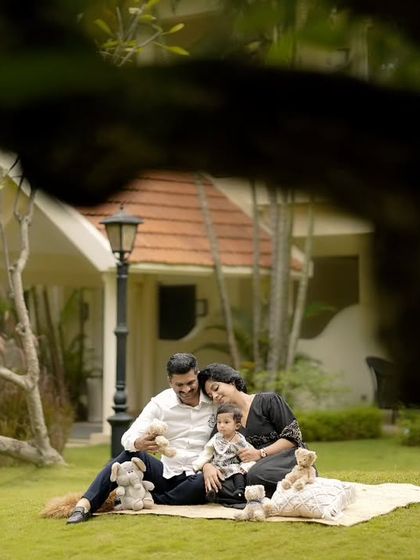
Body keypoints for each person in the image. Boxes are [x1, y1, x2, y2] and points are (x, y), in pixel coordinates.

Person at [67, 353, 216, 524]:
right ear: (169, 382)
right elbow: (129, 436)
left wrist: (209, 465)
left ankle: (149, 496)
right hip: (166, 475)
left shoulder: (214, 399)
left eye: (191, 383)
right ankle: (84, 506)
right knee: (130, 455)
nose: (186, 390)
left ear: (197, 375)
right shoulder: (161, 402)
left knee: (203, 484)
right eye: (179, 385)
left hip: (199, 474)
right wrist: (138, 443)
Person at [197, 363, 309, 501]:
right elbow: (213, 448)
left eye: (216, 388)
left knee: (255, 475)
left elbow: (293, 438)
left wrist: (260, 453)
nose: (214, 396)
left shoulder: (268, 401)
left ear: (231, 381)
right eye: (210, 395)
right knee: (218, 481)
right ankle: (266, 495)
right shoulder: (224, 418)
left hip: (286, 458)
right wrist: (207, 467)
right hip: (248, 469)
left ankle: (302, 479)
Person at [192, 403, 255, 503]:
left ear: (237, 425)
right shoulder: (216, 438)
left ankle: (240, 490)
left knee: (237, 473)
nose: (221, 425)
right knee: (211, 478)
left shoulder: (239, 440)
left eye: (226, 422)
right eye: (219, 422)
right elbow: (208, 451)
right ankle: (211, 492)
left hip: (231, 465)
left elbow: (247, 452)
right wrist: (198, 465)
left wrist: (249, 462)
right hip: (217, 466)